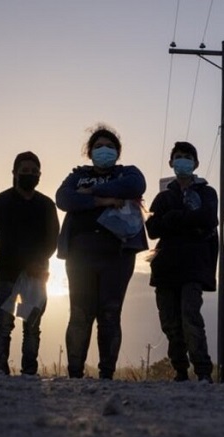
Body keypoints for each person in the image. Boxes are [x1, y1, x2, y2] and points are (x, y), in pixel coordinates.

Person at [56, 125, 147, 379]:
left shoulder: (127, 173)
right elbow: (64, 198)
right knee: (80, 313)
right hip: (80, 253)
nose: (103, 150)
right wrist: (103, 202)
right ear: (89, 151)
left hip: (117, 254)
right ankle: (75, 372)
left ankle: (106, 373)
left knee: (110, 311)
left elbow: (137, 185)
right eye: (98, 146)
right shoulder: (76, 177)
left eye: (109, 146)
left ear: (117, 152)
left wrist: (91, 193)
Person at [146, 141, 217, 383]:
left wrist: (174, 218)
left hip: (194, 267)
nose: (182, 161)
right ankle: (179, 370)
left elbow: (208, 219)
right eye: (178, 157)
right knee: (170, 322)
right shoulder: (163, 196)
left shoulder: (207, 193)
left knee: (190, 317)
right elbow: (152, 228)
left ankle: (203, 371)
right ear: (171, 162)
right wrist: (185, 220)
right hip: (165, 267)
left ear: (196, 163)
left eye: (187, 157)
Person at [0, 151, 59, 376]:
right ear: (14, 173)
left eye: (33, 171)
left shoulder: (47, 205)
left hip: (38, 275)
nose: (28, 174)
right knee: (3, 325)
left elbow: (52, 240)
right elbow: (4, 234)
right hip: (6, 274)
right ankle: (0, 370)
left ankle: (29, 371)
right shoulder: (1, 201)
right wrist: (25, 261)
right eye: (24, 170)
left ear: (39, 175)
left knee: (32, 327)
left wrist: (36, 263)